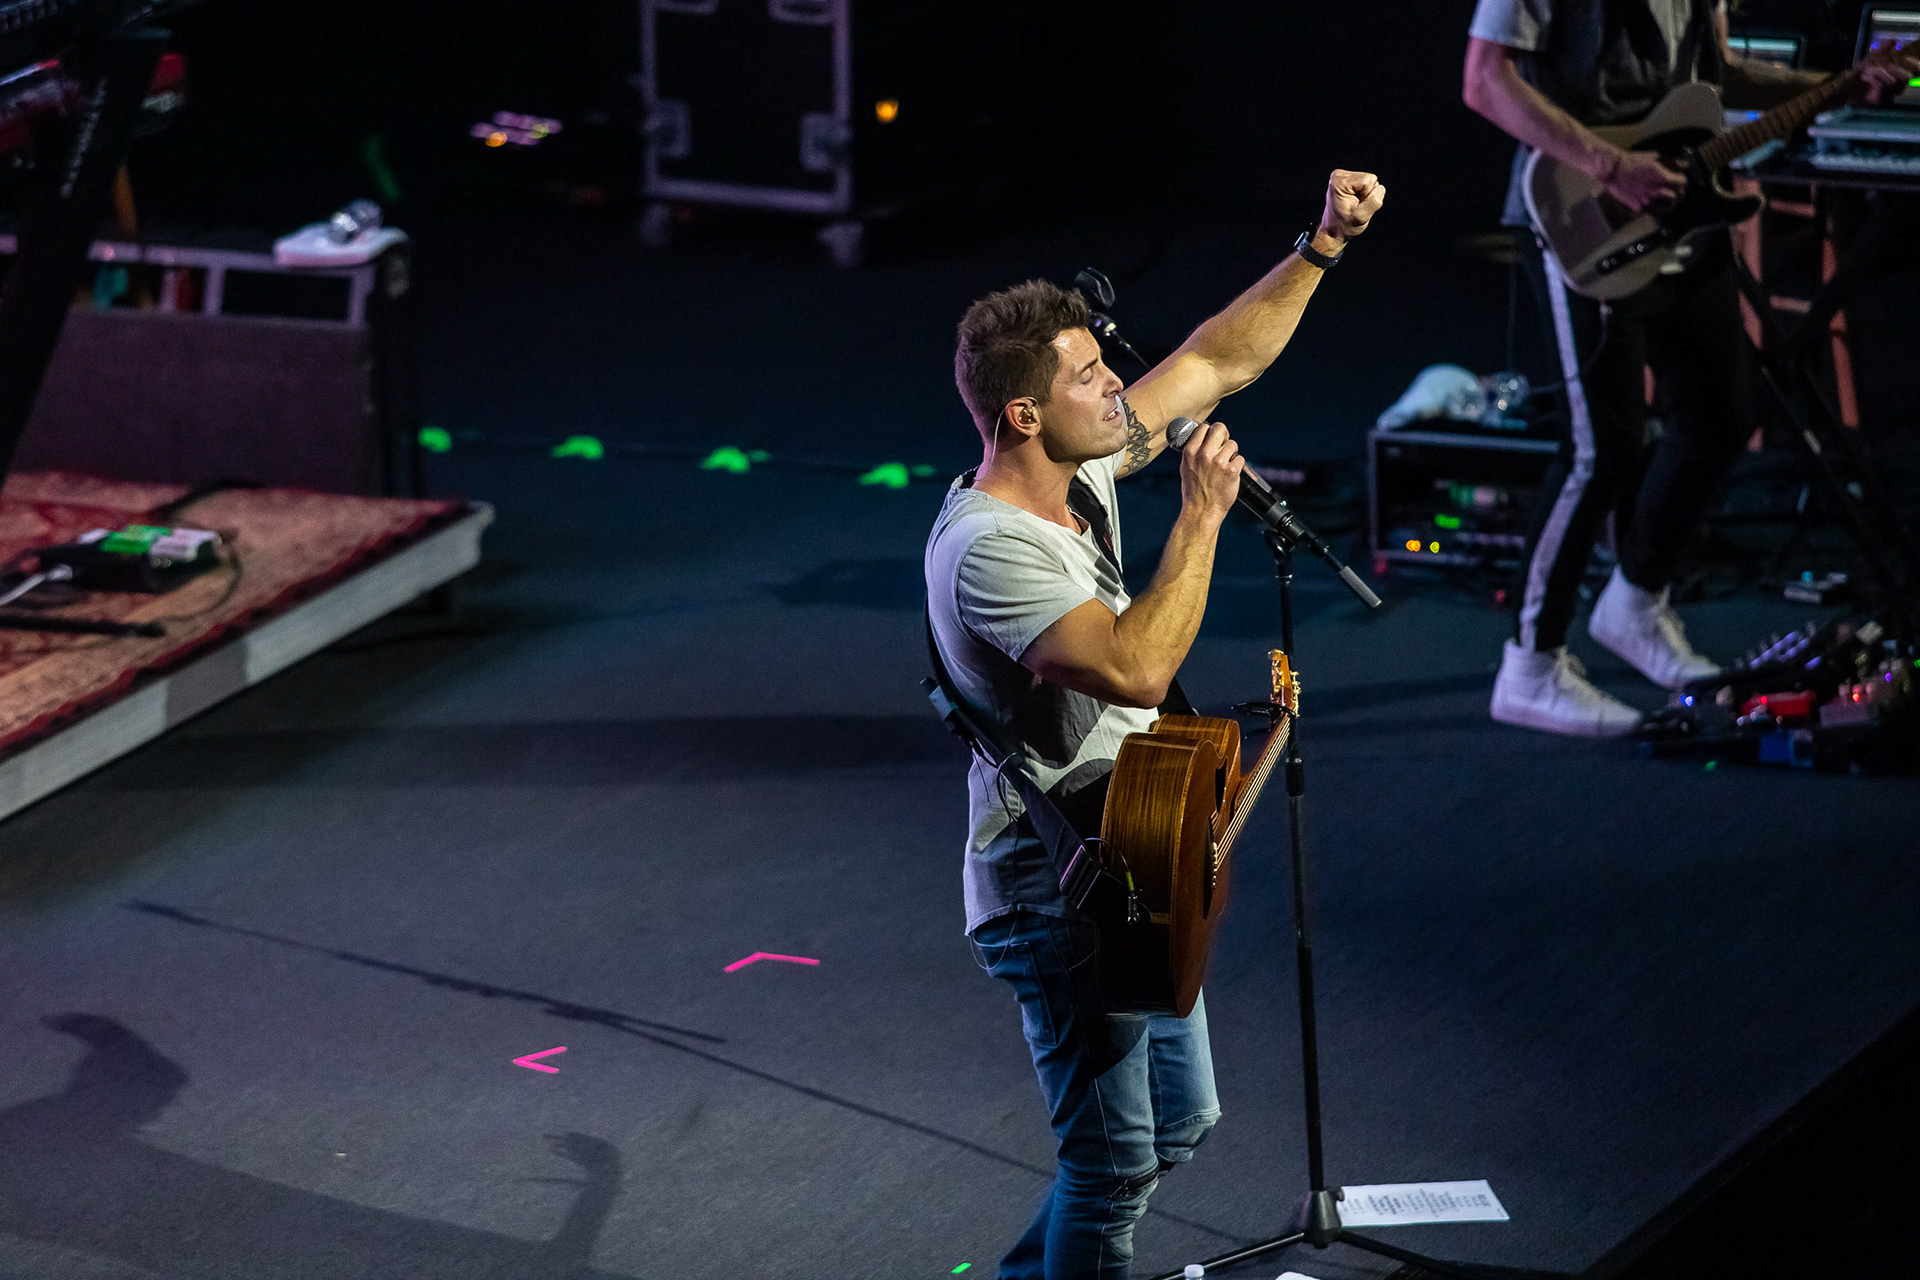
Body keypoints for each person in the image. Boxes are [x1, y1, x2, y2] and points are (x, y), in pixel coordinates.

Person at [924, 169, 1385, 1279]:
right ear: (1024, 414)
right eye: (1089, 375)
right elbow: (1135, 668)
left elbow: (1216, 359)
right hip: (1056, 887)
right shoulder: (990, 549)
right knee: (1112, 1163)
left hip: (1129, 845)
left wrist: (1323, 245)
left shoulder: (1080, 468)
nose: (1116, 385)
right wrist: (1202, 520)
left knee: (1180, 1119)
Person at [1462, 0, 1919, 736]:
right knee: (1601, 450)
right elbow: (1485, 81)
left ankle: (1634, 604)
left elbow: (1719, 73)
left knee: (1721, 415)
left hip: (1680, 205)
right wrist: (1612, 165)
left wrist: (1840, 83)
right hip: (1579, 207)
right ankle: (1529, 668)